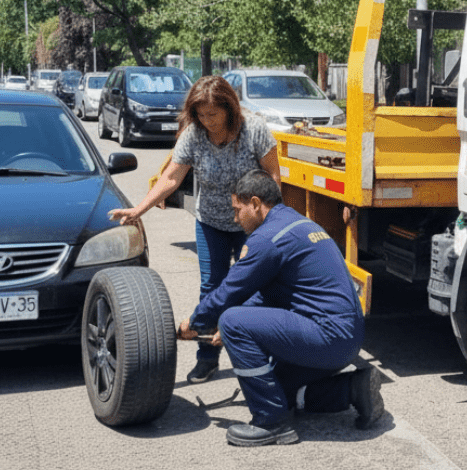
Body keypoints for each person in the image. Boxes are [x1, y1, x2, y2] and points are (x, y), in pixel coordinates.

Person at [177, 170, 385, 447]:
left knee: (231, 321)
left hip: (327, 337)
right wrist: (231, 328)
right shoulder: (299, 224)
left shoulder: (267, 239)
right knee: (278, 389)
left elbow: (229, 292)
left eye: (238, 210)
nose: (235, 218)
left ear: (255, 203)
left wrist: (194, 323)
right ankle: (355, 390)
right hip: (347, 339)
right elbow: (268, 295)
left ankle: (270, 423)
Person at [109, 75, 280, 384]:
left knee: (254, 289)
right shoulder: (194, 135)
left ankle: (260, 358)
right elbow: (171, 178)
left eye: (212, 114)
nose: (206, 120)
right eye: (200, 114)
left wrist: (264, 230)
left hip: (251, 225)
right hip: (210, 222)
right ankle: (207, 359)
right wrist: (139, 209)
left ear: (229, 108)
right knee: (212, 288)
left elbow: (273, 178)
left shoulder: (254, 130)